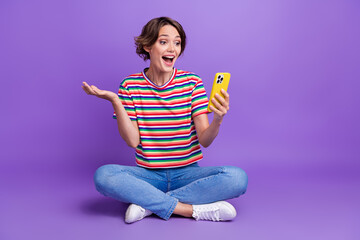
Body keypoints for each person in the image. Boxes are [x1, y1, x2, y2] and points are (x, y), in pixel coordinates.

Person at [81, 17, 248, 224]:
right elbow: (133, 141)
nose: (172, 49)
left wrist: (218, 119)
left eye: (177, 43)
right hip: (148, 175)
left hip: (187, 175)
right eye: (164, 42)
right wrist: (115, 100)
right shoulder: (129, 86)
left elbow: (204, 140)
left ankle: (149, 204)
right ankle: (189, 210)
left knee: (237, 178)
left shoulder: (192, 83)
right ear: (147, 46)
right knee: (104, 176)